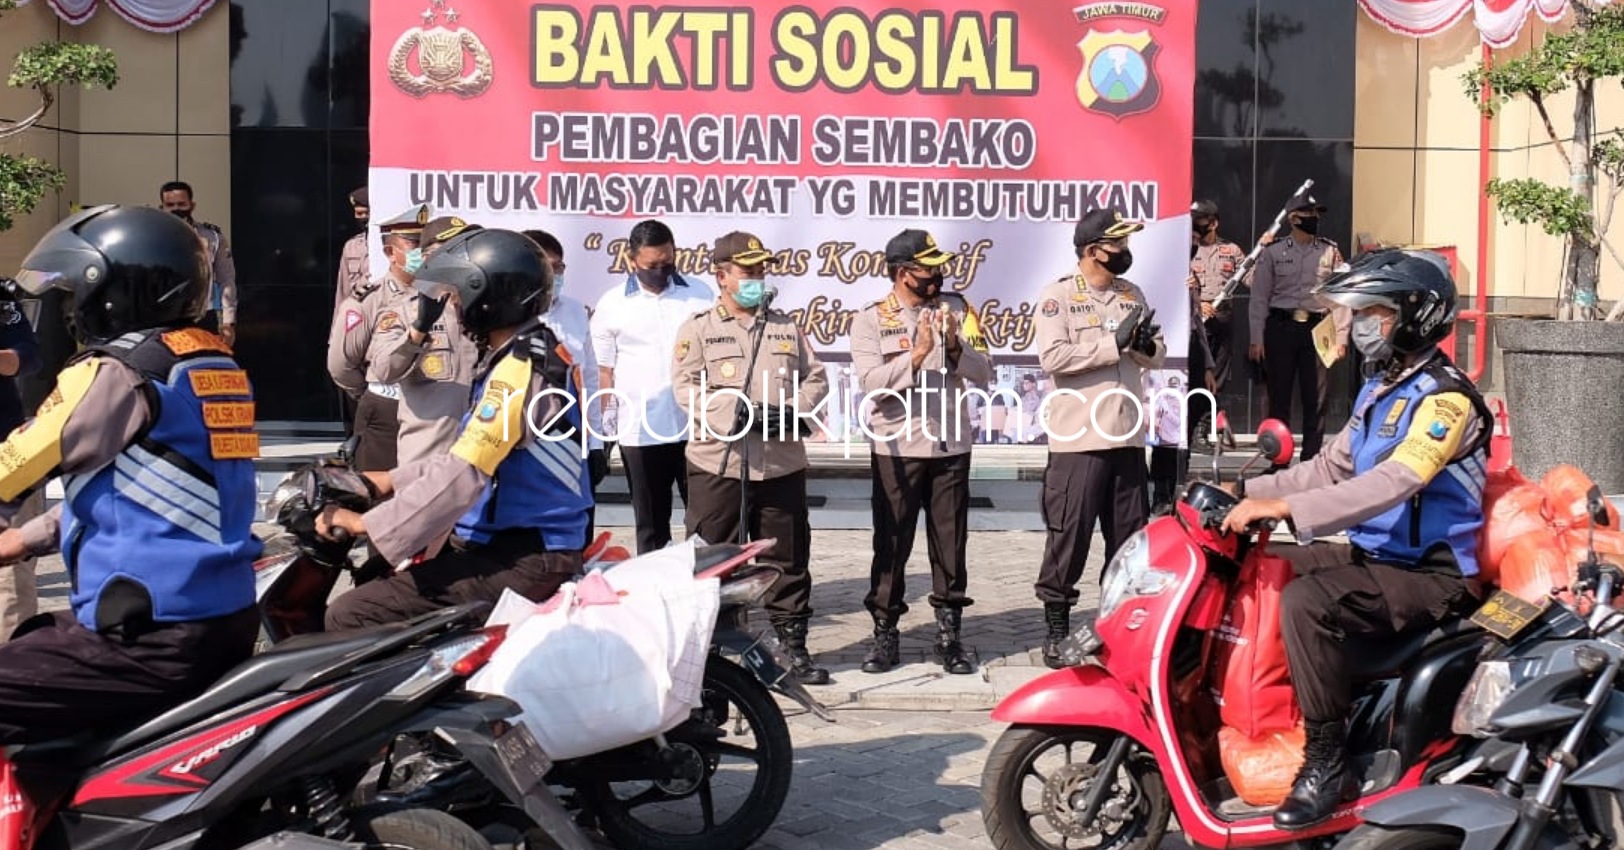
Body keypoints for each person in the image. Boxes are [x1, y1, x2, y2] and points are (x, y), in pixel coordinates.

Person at [1220, 249, 1489, 829]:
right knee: (1271, 567)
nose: (1360, 323)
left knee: (1306, 602)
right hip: (1378, 557)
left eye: (1374, 312)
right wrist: (1242, 489)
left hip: (1432, 576)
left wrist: (1285, 507)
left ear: (1417, 314)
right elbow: (1327, 469)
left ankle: (1326, 761)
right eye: (1358, 311)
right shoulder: (1379, 389)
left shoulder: (1446, 399)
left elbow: (1397, 481)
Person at [0, 205, 261, 742]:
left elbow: (15, 465)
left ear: (113, 292)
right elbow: (150, 489)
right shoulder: (212, 363)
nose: (72, 309)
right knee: (32, 639)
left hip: (147, 630)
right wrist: (23, 538)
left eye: (77, 292)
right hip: (221, 617)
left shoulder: (114, 372)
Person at [318, 228, 591, 629]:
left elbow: (464, 474)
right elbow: (466, 454)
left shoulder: (517, 370)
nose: (456, 306)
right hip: (520, 545)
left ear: (488, 297)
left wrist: (365, 523)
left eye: (460, 295)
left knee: (351, 613)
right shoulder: (523, 354)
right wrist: (385, 481)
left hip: (524, 555)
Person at [673, 231, 831, 685]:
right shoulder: (699, 328)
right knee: (712, 562)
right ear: (721, 276)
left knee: (788, 558)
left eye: (762, 270)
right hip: (718, 463)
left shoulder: (784, 326)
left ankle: (792, 647)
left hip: (780, 462)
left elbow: (816, 379)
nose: (757, 279)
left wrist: (791, 412)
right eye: (748, 271)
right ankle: (708, 653)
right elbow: (684, 387)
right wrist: (732, 411)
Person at [848, 229, 992, 675]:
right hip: (898, 444)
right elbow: (871, 383)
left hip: (950, 443)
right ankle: (885, 634)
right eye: (927, 267)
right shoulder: (870, 320)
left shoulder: (958, 309)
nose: (937, 275)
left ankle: (950, 636)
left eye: (937, 267)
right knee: (891, 542)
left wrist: (952, 347)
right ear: (902, 272)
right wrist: (916, 357)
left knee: (950, 545)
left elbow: (985, 371)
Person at [1031, 209, 1165, 668]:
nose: (1125, 253)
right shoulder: (1059, 297)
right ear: (1093, 250)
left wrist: (1145, 346)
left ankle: (1120, 629)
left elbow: (1154, 355)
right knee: (1069, 536)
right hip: (1079, 438)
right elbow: (1053, 357)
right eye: (1117, 245)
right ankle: (1057, 627)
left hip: (1126, 435)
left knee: (1129, 542)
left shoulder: (1132, 294)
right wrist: (1114, 344)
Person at [592, 219, 716, 553]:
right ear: (632, 261)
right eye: (651, 266)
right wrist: (607, 424)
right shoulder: (612, 304)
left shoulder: (700, 294)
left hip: (696, 427)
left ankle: (709, 591)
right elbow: (605, 371)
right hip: (640, 429)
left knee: (706, 519)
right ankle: (655, 590)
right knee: (650, 523)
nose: (660, 271)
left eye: (667, 263)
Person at [327, 204, 431, 472]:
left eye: (426, 243)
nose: (422, 251)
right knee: (380, 498)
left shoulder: (444, 297)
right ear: (390, 252)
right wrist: (370, 393)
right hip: (387, 411)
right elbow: (341, 364)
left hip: (433, 414)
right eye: (413, 244)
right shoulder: (369, 300)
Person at [1249, 192, 1349, 466]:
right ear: (1293, 219)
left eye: (1317, 215)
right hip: (1280, 329)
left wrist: (1341, 337)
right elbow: (1259, 298)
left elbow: (1340, 296)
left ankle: (1310, 462)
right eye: (1309, 215)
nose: (1315, 219)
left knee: (1315, 399)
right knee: (1277, 399)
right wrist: (1256, 337)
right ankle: (1278, 461)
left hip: (1318, 331)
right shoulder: (1273, 251)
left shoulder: (1330, 251)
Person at [524, 229, 609, 543]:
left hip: (574, 441)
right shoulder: (507, 313)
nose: (553, 274)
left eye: (558, 268)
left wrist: (597, 444)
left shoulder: (575, 311)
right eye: (546, 267)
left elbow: (588, 379)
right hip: (526, 444)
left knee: (578, 533)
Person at [380, 215, 482, 465]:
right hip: (428, 461)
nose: (463, 259)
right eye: (453, 251)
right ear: (427, 259)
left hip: (483, 459)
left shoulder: (490, 314)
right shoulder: (404, 311)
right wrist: (420, 328)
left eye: (466, 250)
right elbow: (383, 370)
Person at [0, 280, 42, 642]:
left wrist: (4, 359)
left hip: (5, 450)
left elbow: (29, 354)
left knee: (12, 576)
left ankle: (11, 664)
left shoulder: (1, 296)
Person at [159, 180, 238, 347]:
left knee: (203, 367)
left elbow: (226, 280)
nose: (176, 209)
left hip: (202, 316)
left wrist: (228, 322)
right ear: (162, 207)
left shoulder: (213, 237)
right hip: (164, 317)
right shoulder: (151, 238)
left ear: (192, 205)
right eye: (170, 204)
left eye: (181, 204)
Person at [335, 186, 371, 321]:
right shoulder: (351, 246)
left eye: (365, 213)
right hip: (356, 316)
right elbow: (342, 291)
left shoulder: (390, 244)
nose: (362, 218)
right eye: (358, 214)